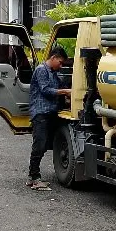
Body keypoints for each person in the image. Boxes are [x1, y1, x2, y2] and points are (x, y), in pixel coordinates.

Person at [27, 46, 71, 190]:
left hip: (50, 114)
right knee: (39, 145)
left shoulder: (54, 72)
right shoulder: (41, 70)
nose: (61, 65)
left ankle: (33, 177)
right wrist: (64, 91)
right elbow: (45, 90)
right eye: (60, 62)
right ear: (53, 58)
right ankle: (34, 177)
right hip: (40, 114)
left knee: (45, 144)